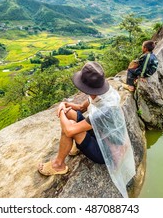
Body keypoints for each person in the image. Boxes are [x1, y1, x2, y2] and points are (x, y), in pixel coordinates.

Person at [38, 61, 136, 198]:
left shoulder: (104, 110)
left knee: (70, 125)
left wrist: (60, 111)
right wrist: (66, 105)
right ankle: (77, 147)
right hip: (102, 134)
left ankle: (58, 165)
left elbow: (70, 131)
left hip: (106, 152)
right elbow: (81, 108)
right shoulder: (104, 94)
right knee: (70, 113)